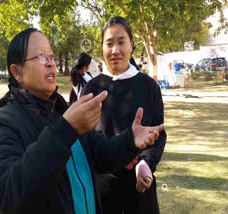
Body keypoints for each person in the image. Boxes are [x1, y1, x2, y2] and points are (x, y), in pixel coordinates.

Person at [0, 28, 164, 214]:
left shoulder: (60, 110)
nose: (51, 64)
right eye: (41, 57)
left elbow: (99, 153)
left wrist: (129, 140)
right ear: (17, 72)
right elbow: (6, 196)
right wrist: (65, 129)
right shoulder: (4, 123)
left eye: (52, 57)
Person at [83, 16, 167, 214]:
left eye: (121, 42)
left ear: (131, 45)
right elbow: (83, 137)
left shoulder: (148, 86)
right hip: (101, 188)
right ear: (102, 48)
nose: (115, 50)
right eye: (109, 44)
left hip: (140, 183)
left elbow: (159, 134)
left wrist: (146, 162)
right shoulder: (92, 88)